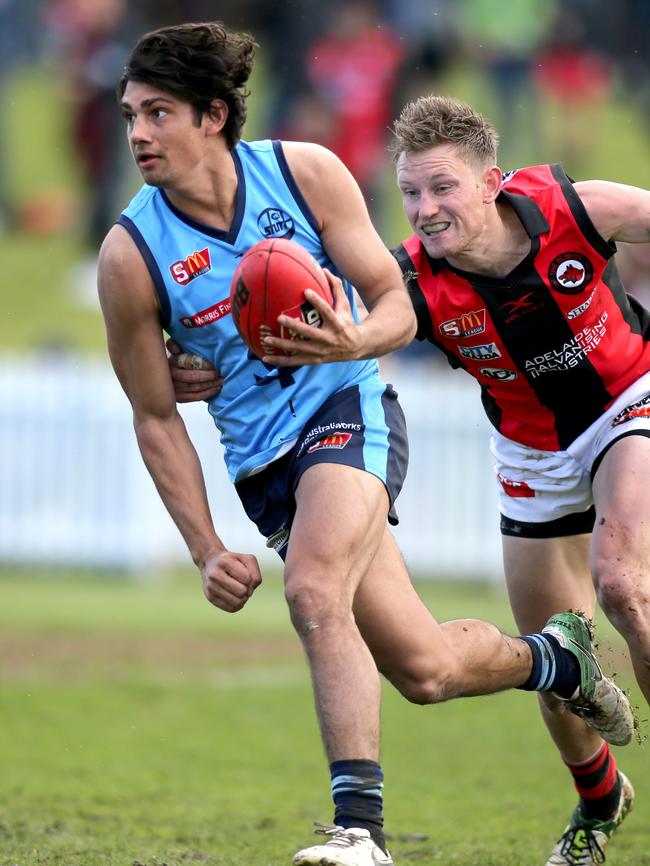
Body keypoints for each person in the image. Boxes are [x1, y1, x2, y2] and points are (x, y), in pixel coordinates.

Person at [99, 26, 632, 866]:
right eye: (130, 114)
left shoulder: (302, 173)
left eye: (156, 113)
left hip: (348, 408)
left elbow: (395, 297)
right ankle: (554, 661)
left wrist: (351, 343)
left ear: (212, 116)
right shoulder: (130, 255)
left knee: (314, 591)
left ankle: (359, 832)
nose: (136, 134)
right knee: (424, 671)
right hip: (263, 464)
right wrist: (204, 548)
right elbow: (155, 414)